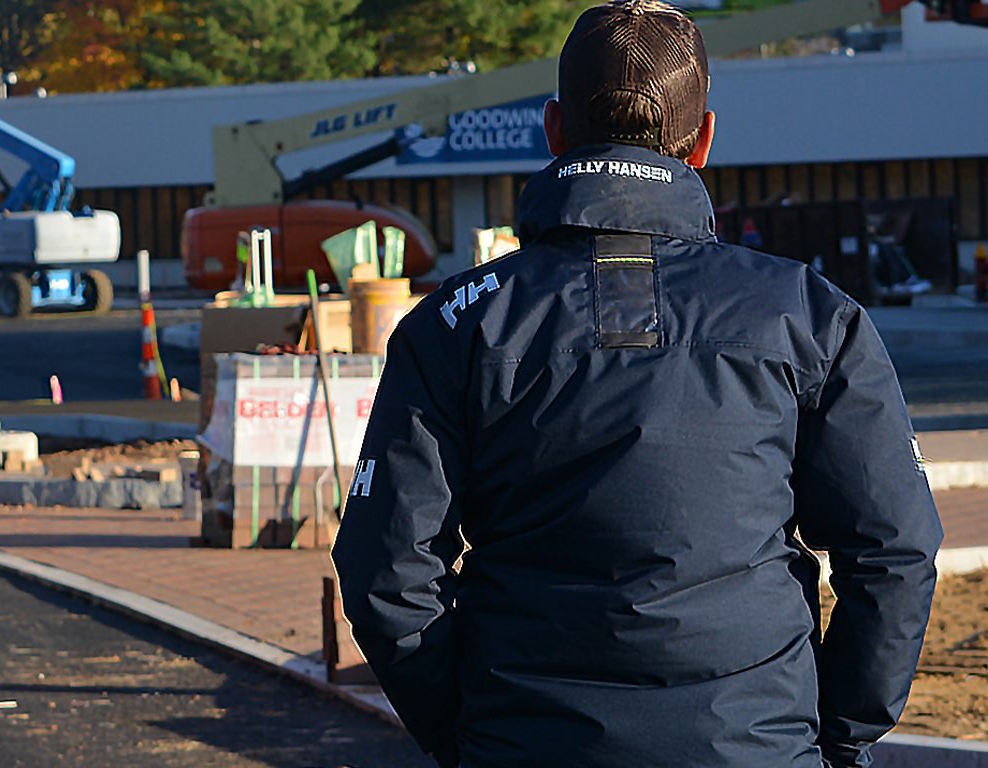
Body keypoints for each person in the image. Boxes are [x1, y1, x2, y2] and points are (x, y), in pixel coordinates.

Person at [330, 2, 943, 766]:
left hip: (525, 738)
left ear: (553, 131)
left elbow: (386, 568)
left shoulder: (454, 324)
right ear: (706, 139)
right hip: (753, 742)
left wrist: (472, 731)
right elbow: (895, 550)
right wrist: (835, 735)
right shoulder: (810, 315)